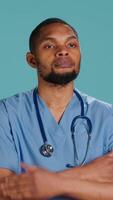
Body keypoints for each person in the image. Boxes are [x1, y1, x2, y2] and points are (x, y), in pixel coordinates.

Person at [0, 17, 113, 200]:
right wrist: (88, 174)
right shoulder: (6, 113)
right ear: (32, 60)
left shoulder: (107, 116)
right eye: (49, 46)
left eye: (72, 45)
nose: (63, 51)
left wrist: (51, 184)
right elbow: (5, 191)